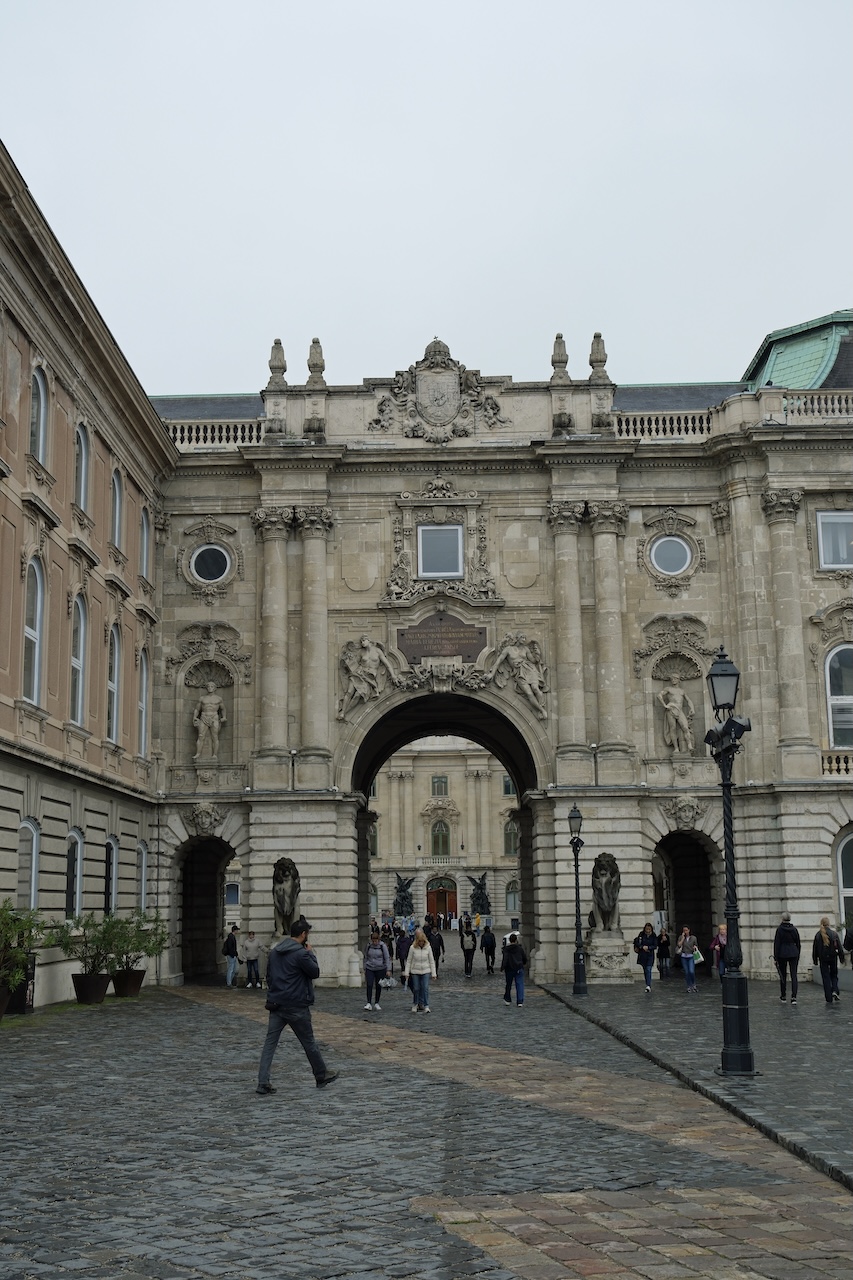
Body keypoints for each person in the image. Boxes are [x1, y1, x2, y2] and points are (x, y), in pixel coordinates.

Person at [256, 919, 338, 1093]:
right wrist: (310, 954)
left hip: (276, 1004)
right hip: (297, 1005)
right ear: (303, 934)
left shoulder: (275, 952)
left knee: (269, 1044)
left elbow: (269, 976)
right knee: (309, 1042)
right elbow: (315, 972)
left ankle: (263, 1082)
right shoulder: (301, 954)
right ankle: (321, 1074)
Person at [657, 675, 695, 752]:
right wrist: (665, 705)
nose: (673, 680)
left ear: (678, 680)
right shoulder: (668, 689)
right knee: (673, 728)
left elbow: (688, 700)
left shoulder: (682, 691)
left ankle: (689, 745)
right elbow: (659, 695)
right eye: (672, 679)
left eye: (675, 678)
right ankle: (676, 748)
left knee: (685, 727)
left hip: (679, 710)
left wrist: (692, 708)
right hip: (671, 709)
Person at [812, 916, 844, 1004]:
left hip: (823, 959)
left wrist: (815, 960)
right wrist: (841, 958)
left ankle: (828, 998)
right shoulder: (834, 934)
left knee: (826, 978)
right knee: (834, 975)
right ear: (829, 924)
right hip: (833, 957)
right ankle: (835, 990)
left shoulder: (818, 935)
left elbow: (815, 949)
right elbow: (839, 947)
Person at [403, 928, 436, 1013]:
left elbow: (431, 961)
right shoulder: (412, 948)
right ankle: (415, 1003)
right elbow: (409, 960)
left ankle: (426, 1005)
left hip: (425, 970)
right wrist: (407, 972)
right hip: (415, 971)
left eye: (422, 941)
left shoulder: (428, 948)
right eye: (420, 941)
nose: (421, 943)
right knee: (416, 988)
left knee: (425, 988)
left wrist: (433, 973)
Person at [773, 912, 801, 1004]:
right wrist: (798, 953)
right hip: (794, 953)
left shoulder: (780, 930)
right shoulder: (794, 929)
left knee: (783, 975)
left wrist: (775, 957)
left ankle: (783, 996)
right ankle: (794, 997)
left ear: (782, 919)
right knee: (794, 975)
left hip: (782, 954)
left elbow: (777, 944)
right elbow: (798, 943)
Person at [193, 682, 226, 758]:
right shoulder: (202, 698)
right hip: (204, 716)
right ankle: (198, 753)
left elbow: (223, 709)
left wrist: (224, 717)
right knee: (201, 736)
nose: (210, 687)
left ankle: (215, 754)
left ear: (215, 688)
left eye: (212, 686)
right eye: (208, 686)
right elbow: (197, 709)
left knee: (215, 736)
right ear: (206, 688)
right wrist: (194, 717)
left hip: (214, 717)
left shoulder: (218, 698)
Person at [363, 929, 391, 1011]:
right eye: (373, 941)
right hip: (370, 967)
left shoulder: (383, 946)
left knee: (378, 985)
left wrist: (388, 969)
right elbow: (365, 957)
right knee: (369, 984)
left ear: (378, 940)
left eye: (376, 941)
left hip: (380, 968)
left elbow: (387, 958)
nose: (374, 942)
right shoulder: (368, 946)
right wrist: (365, 967)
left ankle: (376, 1002)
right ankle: (368, 1002)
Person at [502, 932, 527, 1006]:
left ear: (510, 940)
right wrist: (524, 963)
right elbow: (524, 958)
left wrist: (503, 967)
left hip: (509, 968)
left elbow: (505, 959)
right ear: (516, 940)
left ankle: (507, 999)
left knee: (508, 984)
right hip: (519, 967)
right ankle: (520, 1001)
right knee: (519, 985)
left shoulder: (506, 949)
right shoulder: (520, 948)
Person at [634, 922, 658, 992]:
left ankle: (648, 985)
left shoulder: (653, 935)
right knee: (645, 970)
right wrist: (642, 947)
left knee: (648, 969)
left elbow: (655, 945)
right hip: (642, 955)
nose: (648, 931)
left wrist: (648, 947)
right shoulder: (641, 934)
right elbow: (637, 942)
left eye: (649, 929)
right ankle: (647, 983)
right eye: (646, 929)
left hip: (650, 955)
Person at [674, 924, 698, 993]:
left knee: (691, 971)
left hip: (691, 956)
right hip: (684, 956)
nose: (685, 932)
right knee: (687, 972)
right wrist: (682, 938)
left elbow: (696, 945)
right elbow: (679, 945)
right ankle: (689, 986)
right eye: (684, 930)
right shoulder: (681, 937)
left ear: (689, 930)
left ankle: (693, 984)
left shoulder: (693, 938)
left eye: (686, 930)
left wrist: (695, 947)